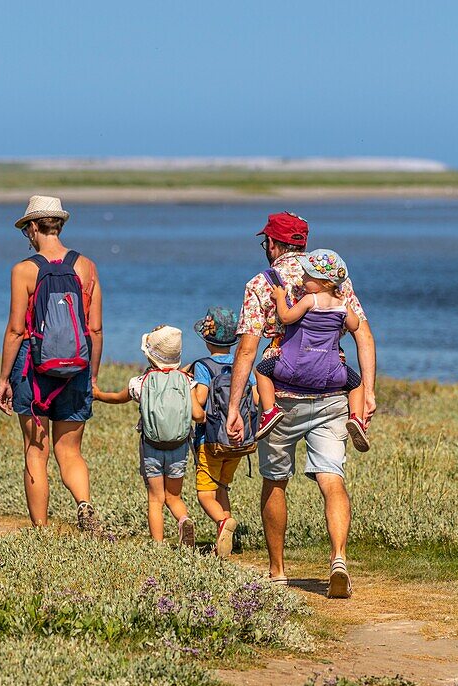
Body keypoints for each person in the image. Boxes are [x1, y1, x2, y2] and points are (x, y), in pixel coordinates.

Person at [226, 212, 377, 599]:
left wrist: (233, 407)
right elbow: (364, 336)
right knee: (332, 478)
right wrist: (368, 390)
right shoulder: (335, 283)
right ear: (303, 244)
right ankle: (338, 558)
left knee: (275, 480)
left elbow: (247, 349)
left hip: (284, 397)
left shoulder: (262, 283)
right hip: (331, 395)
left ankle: (277, 572)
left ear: (273, 245)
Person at [0, 196, 104, 532]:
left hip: (33, 370)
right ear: (59, 225)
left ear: (31, 228)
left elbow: (16, 330)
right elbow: (95, 329)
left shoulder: (24, 271)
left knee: (35, 451)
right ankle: (84, 505)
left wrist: (4, 379)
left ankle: (41, 531)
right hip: (78, 369)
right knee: (70, 452)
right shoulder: (86, 266)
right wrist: (92, 375)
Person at [93, 325, 199, 546]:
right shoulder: (186, 381)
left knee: (155, 498)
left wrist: (99, 395)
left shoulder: (140, 383)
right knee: (174, 496)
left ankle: (158, 546)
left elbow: (118, 398)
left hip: (151, 447)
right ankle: (184, 519)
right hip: (179, 448)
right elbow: (197, 414)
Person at [257, 250, 370, 451]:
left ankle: (269, 411)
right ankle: (356, 419)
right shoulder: (343, 304)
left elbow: (285, 317)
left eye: (307, 276)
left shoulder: (310, 300)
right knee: (357, 384)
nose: (302, 278)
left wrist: (281, 297)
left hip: (292, 367)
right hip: (331, 372)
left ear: (323, 282)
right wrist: (346, 306)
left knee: (261, 370)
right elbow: (354, 325)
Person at [190, 307, 259, 557]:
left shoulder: (203, 366)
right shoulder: (244, 364)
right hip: (238, 442)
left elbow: (200, 401)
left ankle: (223, 523)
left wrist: (188, 393)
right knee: (223, 488)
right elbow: (257, 398)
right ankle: (225, 541)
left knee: (205, 494)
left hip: (210, 441)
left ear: (208, 341)